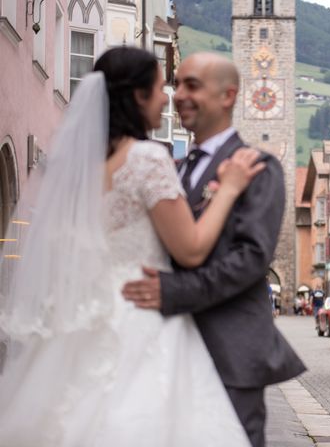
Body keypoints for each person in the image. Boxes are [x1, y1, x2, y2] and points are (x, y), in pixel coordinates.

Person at [0, 47, 261, 445]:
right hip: (142, 315)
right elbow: (190, 249)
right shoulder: (146, 159)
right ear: (138, 96)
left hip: (84, 315)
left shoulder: (78, 169)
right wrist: (228, 189)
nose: (167, 97)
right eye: (159, 87)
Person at [121, 52, 305, 447]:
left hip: (229, 350)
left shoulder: (258, 166)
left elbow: (252, 259)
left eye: (192, 85)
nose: (177, 95)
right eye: (175, 84)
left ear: (227, 96)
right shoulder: (174, 167)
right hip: (166, 348)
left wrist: (173, 292)